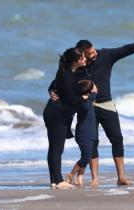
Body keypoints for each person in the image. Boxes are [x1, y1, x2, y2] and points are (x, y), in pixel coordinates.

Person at [49, 40, 134, 185]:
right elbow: (59, 81)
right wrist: (51, 91)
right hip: (86, 106)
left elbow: (124, 49)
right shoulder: (78, 66)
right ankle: (94, 178)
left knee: (117, 138)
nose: (95, 53)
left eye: (94, 50)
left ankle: (121, 177)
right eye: (90, 53)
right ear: (83, 56)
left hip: (106, 104)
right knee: (92, 141)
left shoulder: (105, 56)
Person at [43, 47, 87, 189]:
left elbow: (55, 86)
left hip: (56, 113)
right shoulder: (67, 75)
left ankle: (54, 181)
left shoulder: (69, 72)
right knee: (57, 149)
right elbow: (72, 100)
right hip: (56, 115)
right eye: (82, 58)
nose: (85, 59)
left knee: (55, 148)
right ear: (75, 62)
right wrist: (85, 97)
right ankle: (59, 180)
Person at [66, 80, 98, 186]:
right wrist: (92, 93)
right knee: (86, 157)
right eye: (93, 87)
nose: (95, 89)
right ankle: (71, 174)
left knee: (86, 155)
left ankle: (79, 179)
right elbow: (94, 94)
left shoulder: (87, 99)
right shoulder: (83, 102)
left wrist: (91, 92)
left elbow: (93, 93)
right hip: (83, 133)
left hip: (91, 132)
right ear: (89, 90)